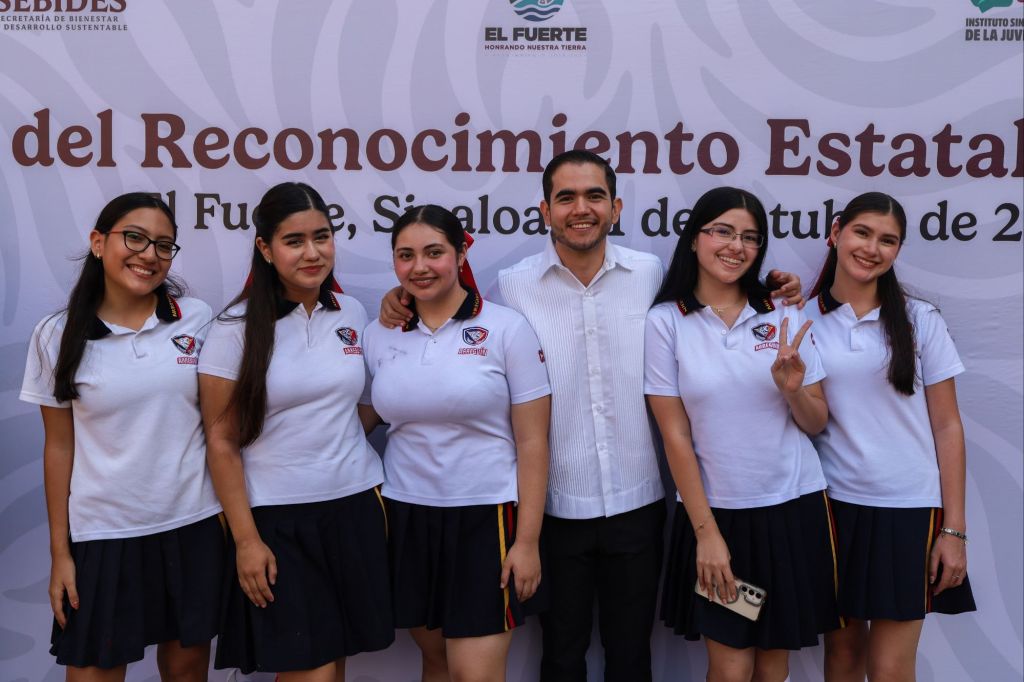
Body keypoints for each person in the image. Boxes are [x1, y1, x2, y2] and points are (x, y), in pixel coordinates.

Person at [381, 151, 806, 681]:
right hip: (554, 507)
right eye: (566, 197)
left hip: (638, 502)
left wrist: (775, 287)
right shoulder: (512, 286)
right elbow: (451, 310)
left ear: (616, 208)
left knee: (631, 656)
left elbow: (719, 289)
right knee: (561, 656)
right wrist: (399, 297)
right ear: (545, 210)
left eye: (594, 196)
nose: (580, 209)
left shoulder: (650, 274)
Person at [20, 192, 223, 681]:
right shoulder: (55, 334)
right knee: (94, 670)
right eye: (134, 238)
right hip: (103, 533)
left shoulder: (196, 317)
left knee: (187, 668)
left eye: (164, 245)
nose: (149, 254)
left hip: (192, 524)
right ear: (98, 242)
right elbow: (59, 446)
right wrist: (60, 553)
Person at [198, 182, 393, 681]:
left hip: (356, 507)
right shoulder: (232, 328)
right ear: (265, 249)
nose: (312, 252)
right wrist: (246, 540)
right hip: (278, 521)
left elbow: (358, 406)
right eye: (294, 241)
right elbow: (220, 441)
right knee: (312, 671)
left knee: (335, 665)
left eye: (322, 237)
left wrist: (334, 440)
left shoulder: (351, 312)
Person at [644, 186, 841, 682]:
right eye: (723, 232)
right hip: (719, 517)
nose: (736, 246)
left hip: (792, 510)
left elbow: (816, 421)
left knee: (773, 668)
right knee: (731, 667)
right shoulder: (666, 322)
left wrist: (793, 391)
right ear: (695, 239)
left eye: (751, 238)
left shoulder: (783, 311)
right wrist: (706, 535)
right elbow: (675, 437)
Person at [361, 204, 551, 682]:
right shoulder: (377, 335)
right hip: (407, 515)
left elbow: (533, 441)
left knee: (475, 674)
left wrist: (527, 541)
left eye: (434, 252)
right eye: (406, 255)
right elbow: (357, 420)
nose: (419, 267)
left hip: (486, 519)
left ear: (461, 253)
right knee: (437, 664)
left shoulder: (506, 328)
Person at [806, 192, 976, 682]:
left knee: (890, 668)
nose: (872, 248)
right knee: (842, 658)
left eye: (888, 240)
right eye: (862, 233)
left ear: (897, 250)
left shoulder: (921, 320)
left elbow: (948, 425)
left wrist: (954, 530)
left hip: (908, 510)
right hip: (832, 507)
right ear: (836, 233)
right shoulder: (800, 319)